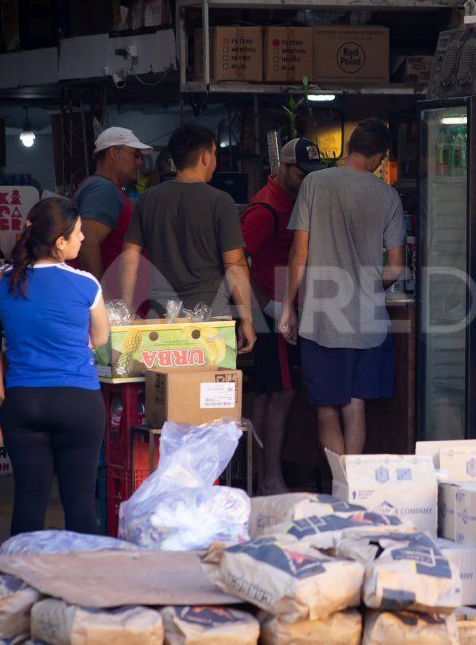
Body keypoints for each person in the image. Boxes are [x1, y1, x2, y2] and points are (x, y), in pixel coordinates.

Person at [278, 119, 406, 457]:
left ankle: (339, 487)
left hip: (322, 320)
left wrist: (289, 306)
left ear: (350, 146)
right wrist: (368, 283)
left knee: (326, 408)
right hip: (367, 322)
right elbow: (395, 267)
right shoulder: (389, 196)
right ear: (379, 156)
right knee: (355, 405)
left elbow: (299, 252)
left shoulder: (315, 184)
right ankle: (354, 491)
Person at [0, 198, 110, 535]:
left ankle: (20, 578)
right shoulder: (86, 284)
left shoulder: (4, 280)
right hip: (78, 402)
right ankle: (81, 583)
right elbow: (100, 337)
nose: (83, 239)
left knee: (29, 498)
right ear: (60, 242)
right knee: (79, 501)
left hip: (23, 400)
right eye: (78, 234)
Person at [117, 124, 255, 354]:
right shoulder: (220, 202)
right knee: (210, 387)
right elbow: (235, 264)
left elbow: (129, 258)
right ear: (204, 157)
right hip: (211, 317)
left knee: (167, 387)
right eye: (214, 154)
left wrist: (126, 313)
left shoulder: (149, 199)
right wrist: (247, 320)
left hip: (161, 317)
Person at [242, 138, 327, 494]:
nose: (306, 179)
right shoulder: (266, 209)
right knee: (279, 393)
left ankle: (270, 477)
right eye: (300, 172)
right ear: (282, 168)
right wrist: (267, 306)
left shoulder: (298, 200)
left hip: (288, 309)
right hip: (271, 314)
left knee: (275, 393)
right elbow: (235, 261)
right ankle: (270, 478)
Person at [72, 127, 151, 287]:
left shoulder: (102, 187)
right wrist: (100, 298)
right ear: (114, 153)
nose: (139, 162)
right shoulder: (104, 189)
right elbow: (88, 242)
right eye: (134, 154)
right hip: (108, 305)